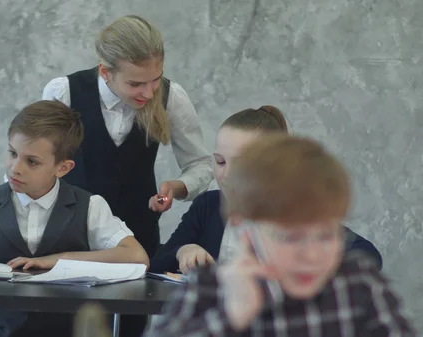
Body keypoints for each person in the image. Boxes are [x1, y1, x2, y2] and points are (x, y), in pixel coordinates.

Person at [145, 134, 416, 337]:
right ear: (247, 232)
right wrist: (232, 314)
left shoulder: (358, 284)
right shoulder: (208, 290)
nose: (311, 254)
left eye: (325, 235)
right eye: (290, 238)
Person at [0, 100, 149, 337]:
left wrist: (58, 260)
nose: (15, 168)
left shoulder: (90, 207)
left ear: (63, 168)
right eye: (12, 153)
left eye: (31, 161)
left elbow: (137, 257)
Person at [41, 15, 213, 259]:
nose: (148, 92)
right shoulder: (63, 92)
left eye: (155, 80)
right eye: (135, 83)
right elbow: (36, 162)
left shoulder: (171, 97)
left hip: (138, 243)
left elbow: (201, 165)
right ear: (105, 72)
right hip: (69, 240)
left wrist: (176, 187)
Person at [149, 106, 383, 274]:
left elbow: (368, 257)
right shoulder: (208, 206)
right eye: (220, 162)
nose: (227, 174)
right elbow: (158, 263)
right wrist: (183, 251)